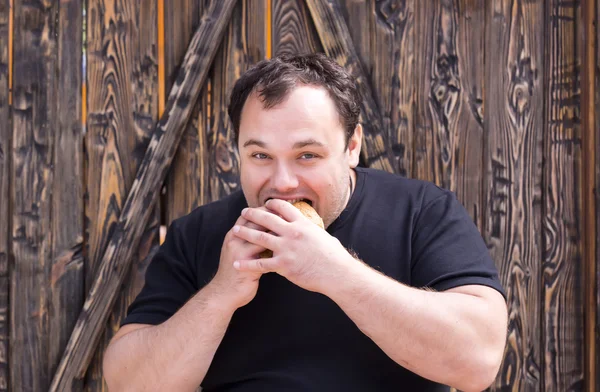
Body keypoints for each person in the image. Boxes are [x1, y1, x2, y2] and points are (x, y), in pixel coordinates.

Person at [103, 53, 508, 392]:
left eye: (307, 155)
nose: (281, 183)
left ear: (352, 147)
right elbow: (127, 382)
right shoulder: (199, 233)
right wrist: (222, 294)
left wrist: (335, 272)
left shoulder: (421, 211)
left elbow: (479, 361)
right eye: (261, 156)